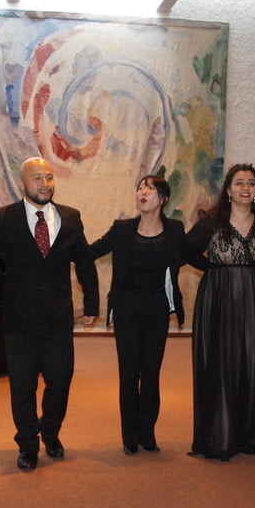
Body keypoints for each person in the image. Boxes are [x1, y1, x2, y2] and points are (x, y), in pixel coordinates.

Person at [0, 157, 99, 471]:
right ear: (22, 183)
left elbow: (84, 263)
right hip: (19, 320)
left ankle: (51, 432)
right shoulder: (4, 217)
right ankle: (28, 444)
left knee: (60, 382)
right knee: (22, 387)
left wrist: (92, 305)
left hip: (58, 319)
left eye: (49, 177)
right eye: (37, 178)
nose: (45, 184)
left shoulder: (70, 217)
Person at [186, 163, 255, 461]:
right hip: (217, 297)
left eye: (251, 183)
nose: (245, 188)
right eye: (239, 183)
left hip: (250, 297)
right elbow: (186, 250)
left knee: (250, 360)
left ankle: (247, 432)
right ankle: (219, 434)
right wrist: (212, 268)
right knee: (220, 361)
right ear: (228, 189)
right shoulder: (212, 221)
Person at [90, 175, 187, 455]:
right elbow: (92, 251)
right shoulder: (122, 229)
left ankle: (148, 434)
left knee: (151, 373)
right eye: (141, 188)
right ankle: (130, 437)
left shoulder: (175, 230)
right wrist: (61, 251)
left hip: (157, 307)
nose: (143, 192)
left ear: (164, 198)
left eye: (151, 188)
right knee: (129, 373)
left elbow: (191, 254)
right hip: (126, 307)